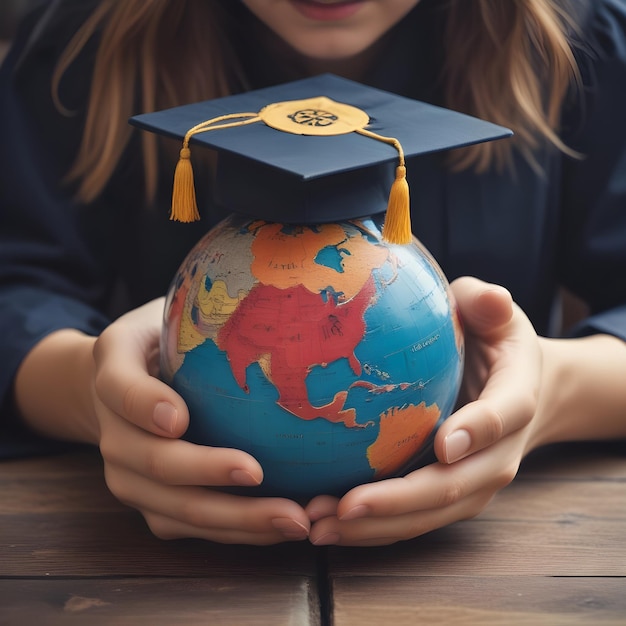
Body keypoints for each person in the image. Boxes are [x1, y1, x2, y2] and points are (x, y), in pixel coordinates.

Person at [1, 0, 625, 547]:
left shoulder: (583, 41)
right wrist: (89, 393)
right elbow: (16, 287)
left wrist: (554, 390)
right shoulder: (79, 46)